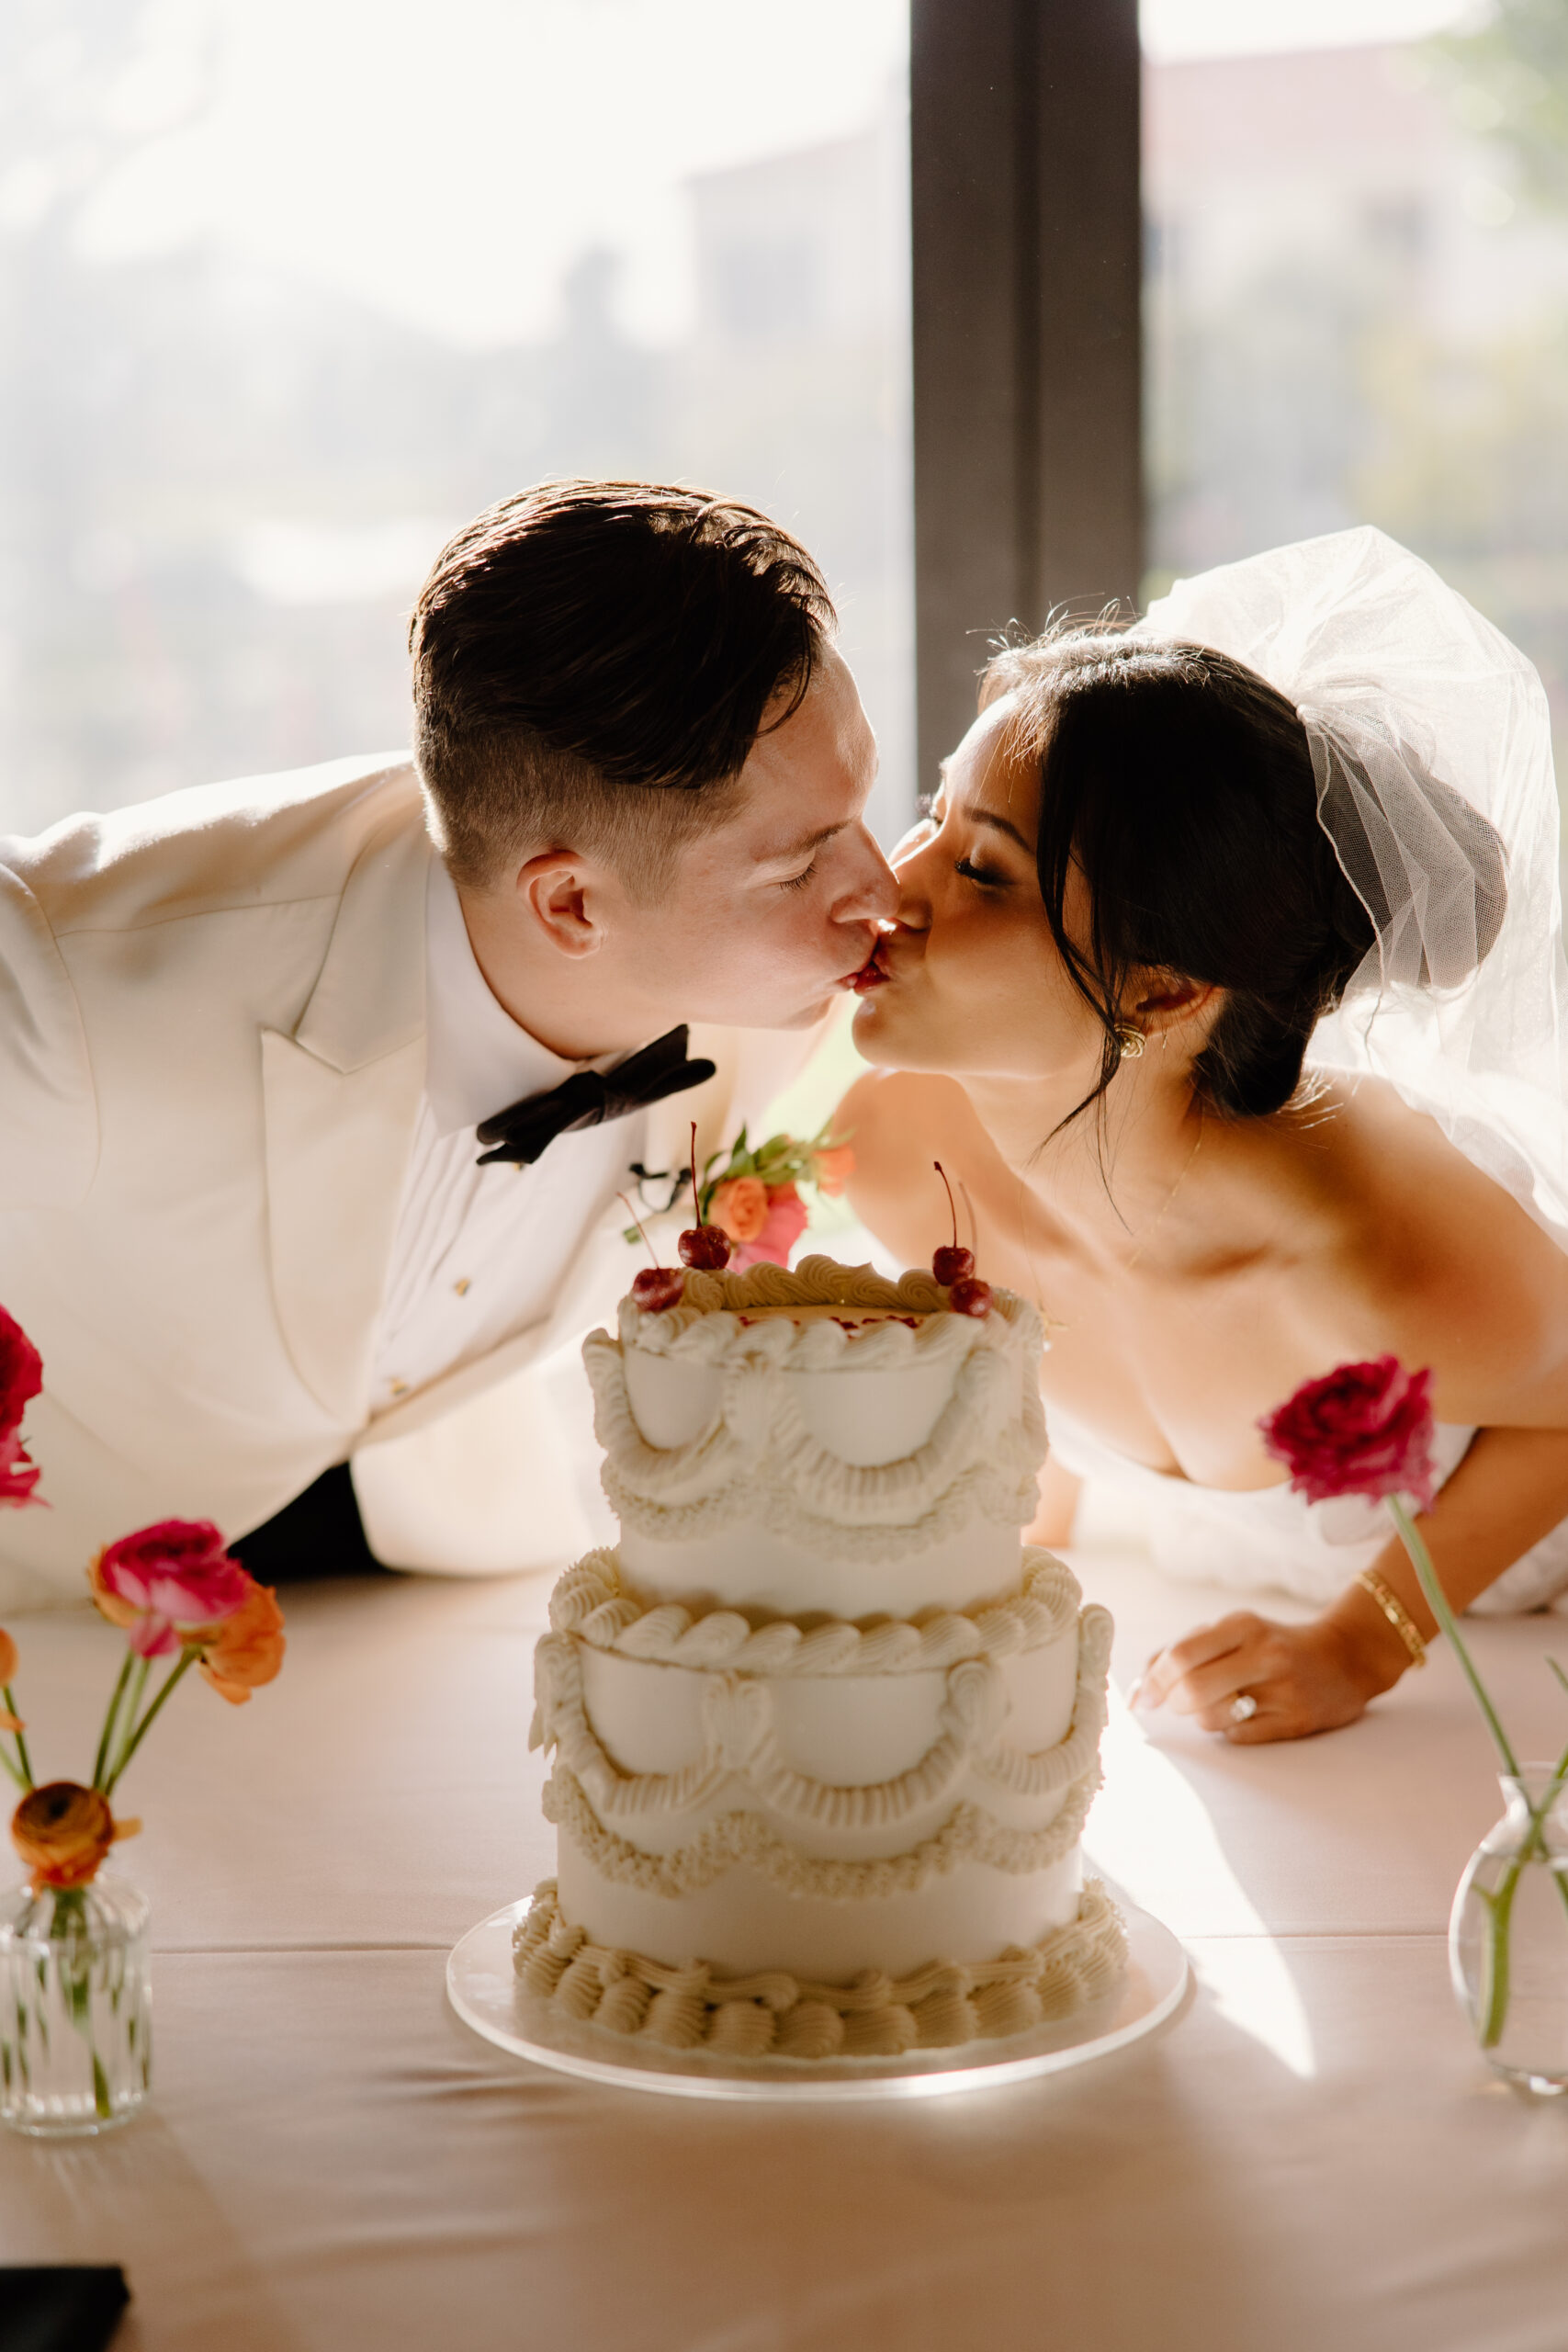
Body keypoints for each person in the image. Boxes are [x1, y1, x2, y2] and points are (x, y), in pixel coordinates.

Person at [0, 480, 897, 1608]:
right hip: (55, 1600)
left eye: (860, 808)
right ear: (571, 904)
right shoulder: (81, 972)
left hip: (433, 1561)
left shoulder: (786, 973)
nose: (882, 890)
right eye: (803, 860)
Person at [840, 526, 1568, 1744]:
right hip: (1188, 1597)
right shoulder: (891, 1148)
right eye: (931, 816)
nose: (888, 885)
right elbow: (1040, 1357)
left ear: (1163, 992)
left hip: (1507, 1639)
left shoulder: (1373, 1252)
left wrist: (1360, 1642)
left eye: (980, 871)